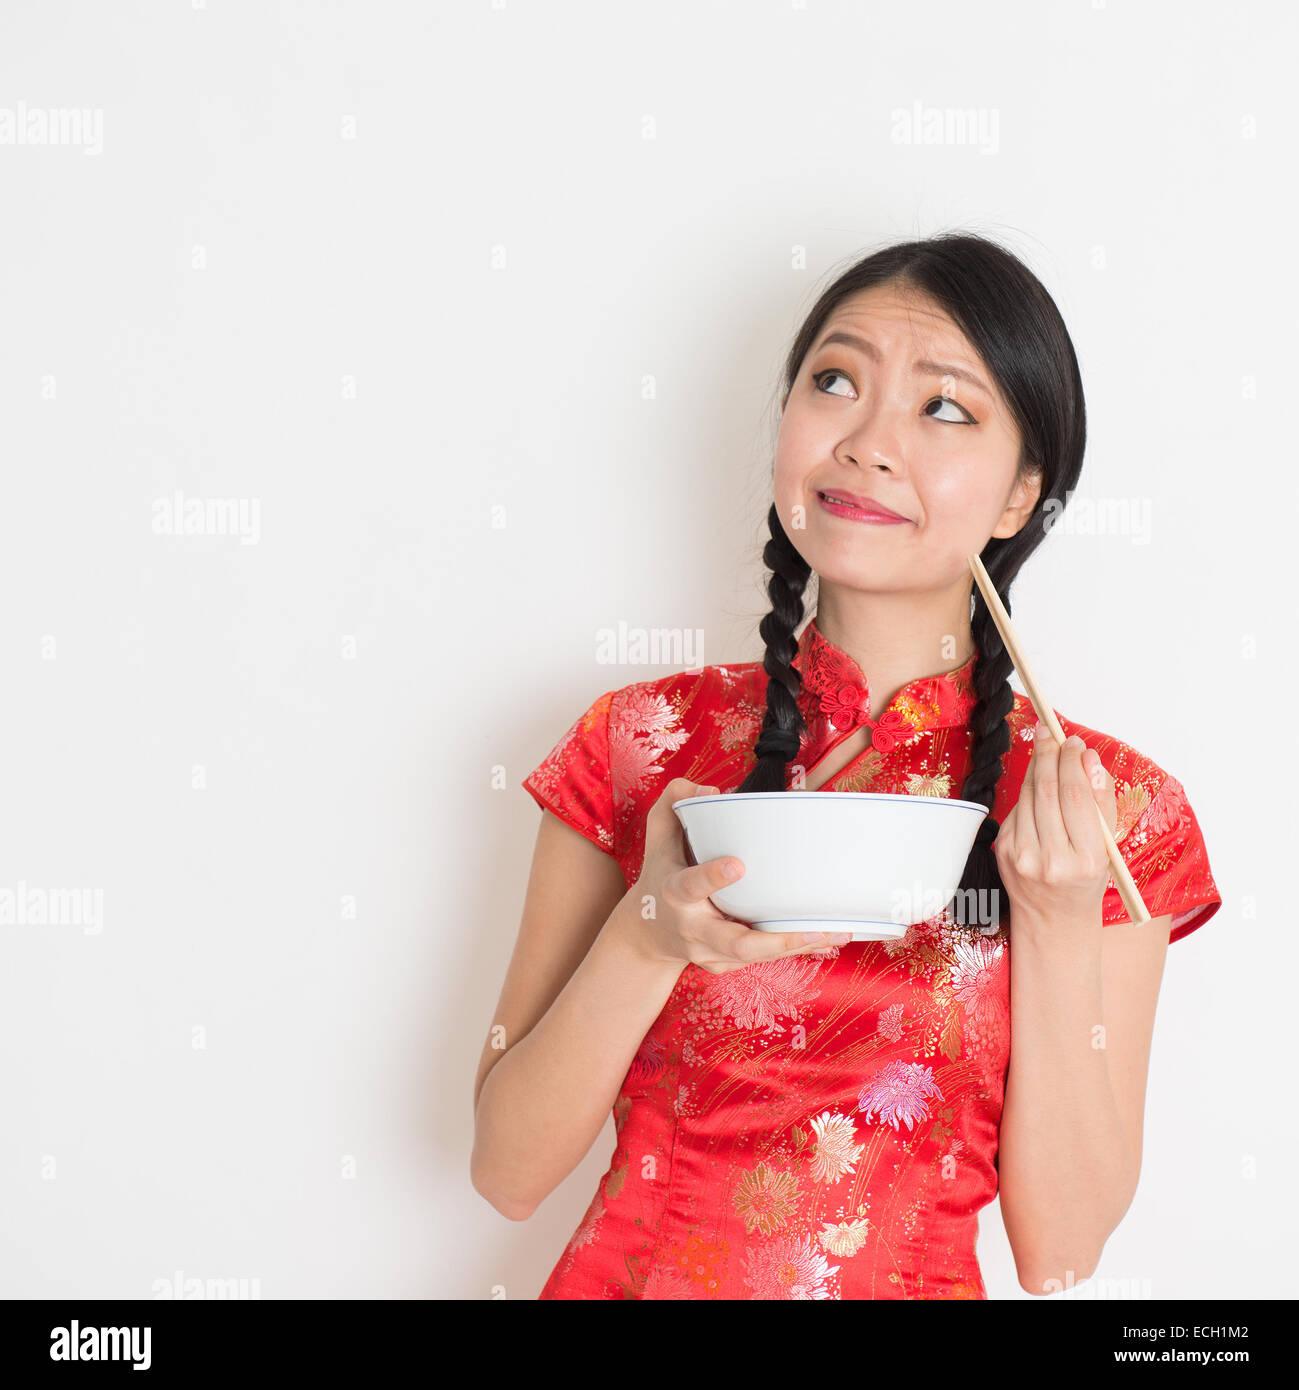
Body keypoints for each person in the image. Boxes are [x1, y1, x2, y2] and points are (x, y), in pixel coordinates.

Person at [471, 232, 1222, 1299]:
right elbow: (505, 1169)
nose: (869, 443)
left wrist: (1055, 921)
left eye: (944, 407)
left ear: (1020, 496)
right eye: (835, 381)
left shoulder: (1114, 811)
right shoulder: (640, 742)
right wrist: (647, 933)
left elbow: (1062, 1252)